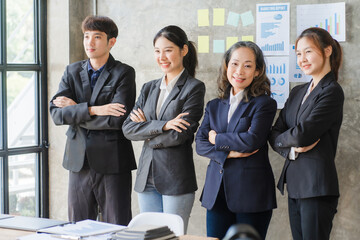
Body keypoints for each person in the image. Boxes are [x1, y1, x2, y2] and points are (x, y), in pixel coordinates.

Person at [49, 16, 136, 225]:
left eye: (97, 37)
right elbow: (57, 114)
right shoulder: (71, 71)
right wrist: (95, 109)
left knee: (117, 225)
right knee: (77, 226)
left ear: (111, 41)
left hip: (113, 162)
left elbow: (117, 120)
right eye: (86, 36)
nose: (90, 42)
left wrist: (76, 111)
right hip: (79, 162)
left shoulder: (124, 73)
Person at [122, 25, 205, 233]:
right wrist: (164, 125)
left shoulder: (193, 87)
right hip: (146, 177)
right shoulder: (149, 87)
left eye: (168, 50)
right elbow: (128, 128)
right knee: (148, 236)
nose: (162, 56)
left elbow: (181, 135)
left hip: (175, 177)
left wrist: (147, 131)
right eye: (157, 51)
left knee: (173, 236)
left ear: (183, 50)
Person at [195, 41, 277, 240]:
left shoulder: (264, 104)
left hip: (251, 193)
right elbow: (200, 143)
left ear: (257, 71)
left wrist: (218, 139)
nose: (239, 71)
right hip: (217, 194)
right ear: (226, 66)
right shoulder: (214, 105)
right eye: (234, 64)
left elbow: (252, 141)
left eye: (248, 65)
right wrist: (230, 151)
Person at [269, 27, 344, 240]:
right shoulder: (297, 92)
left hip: (317, 187)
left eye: (308, 52)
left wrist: (286, 140)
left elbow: (303, 135)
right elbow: (274, 133)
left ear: (327, 50)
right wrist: (290, 149)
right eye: (298, 54)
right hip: (295, 184)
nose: (302, 59)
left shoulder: (331, 91)